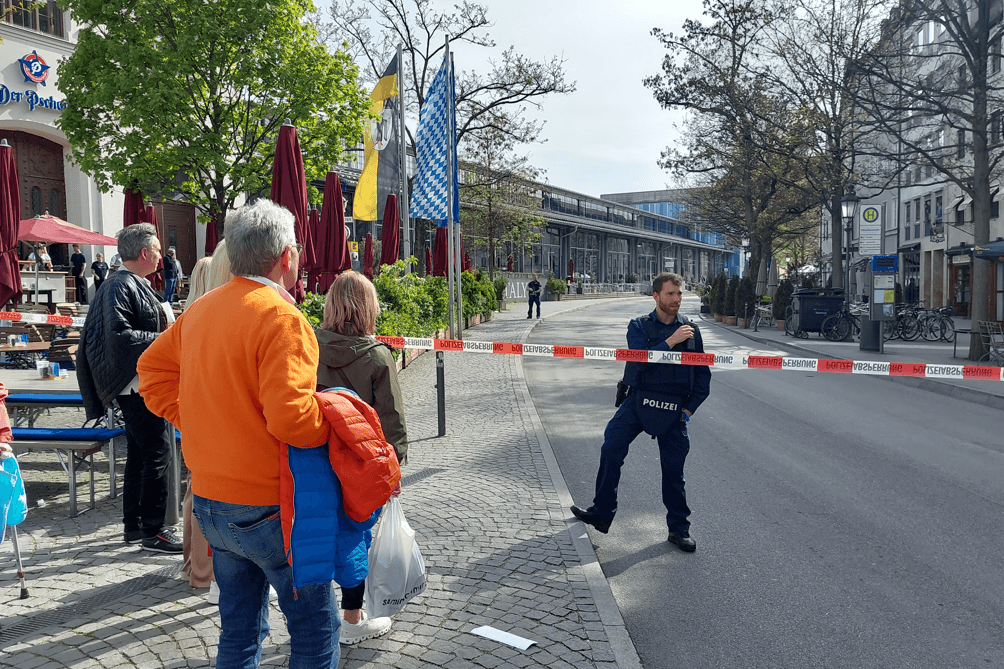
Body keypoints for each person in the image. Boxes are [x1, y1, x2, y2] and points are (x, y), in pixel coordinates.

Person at [137, 199, 342, 669]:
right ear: (286, 257)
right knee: (313, 627)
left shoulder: (202, 309)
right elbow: (292, 420)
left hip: (211, 503)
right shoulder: (282, 318)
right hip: (270, 507)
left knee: (240, 628)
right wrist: (330, 427)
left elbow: (150, 371)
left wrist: (198, 419)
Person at [570, 272, 712, 552]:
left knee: (674, 471)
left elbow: (702, 376)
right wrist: (671, 341)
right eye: (670, 294)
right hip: (638, 401)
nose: (676, 299)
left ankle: (679, 529)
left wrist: (688, 411)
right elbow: (642, 362)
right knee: (611, 449)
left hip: (674, 408)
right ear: (656, 295)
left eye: (679, 294)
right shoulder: (638, 326)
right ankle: (601, 512)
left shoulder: (691, 332)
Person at [76, 223, 181, 553]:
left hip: (136, 384)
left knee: (139, 454)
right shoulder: (121, 285)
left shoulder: (127, 283)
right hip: (135, 386)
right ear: (144, 253)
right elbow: (121, 339)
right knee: (157, 453)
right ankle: (154, 530)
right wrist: (167, 339)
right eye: (159, 251)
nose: (162, 257)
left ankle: (135, 526)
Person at [315, 271, 404, 645]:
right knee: (357, 536)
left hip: (314, 460)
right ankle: (352, 618)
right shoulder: (379, 357)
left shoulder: (307, 345)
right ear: (369, 308)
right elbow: (392, 421)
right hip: (361, 467)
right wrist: (395, 471)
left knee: (314, 533)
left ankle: (316, 618)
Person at [177, 252, 219, 603]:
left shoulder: (187, 319)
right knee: (205, 493)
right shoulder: (210, 318)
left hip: (193, 420)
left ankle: (192, 563)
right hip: (209, 421)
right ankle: (203, 572)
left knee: (195, 491)